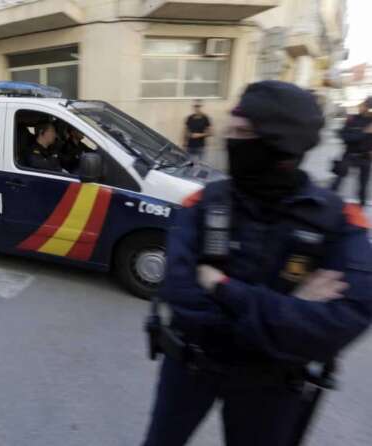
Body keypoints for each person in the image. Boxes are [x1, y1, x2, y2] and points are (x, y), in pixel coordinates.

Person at [142, 81, 372, 446]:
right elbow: (180, 293)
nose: (232, 142)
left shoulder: (338, 221)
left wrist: (223, 288)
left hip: (271, 387)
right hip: (191, 367)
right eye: (232, 132)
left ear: (282, 144)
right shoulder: (204, 203)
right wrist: (291, 310)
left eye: (244, 133)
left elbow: (342, 320)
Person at [331, 97, 372, 206]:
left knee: (363, 187)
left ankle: (361, 208)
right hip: (349, 155)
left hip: (365, 158)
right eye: (364, 105)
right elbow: (344, 137)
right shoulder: (352, 119)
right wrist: (364, 132)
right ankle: (327, 202)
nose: (362, 107)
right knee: (337, 182)